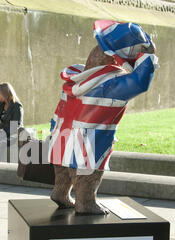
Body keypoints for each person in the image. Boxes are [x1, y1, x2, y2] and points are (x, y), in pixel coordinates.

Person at [47, 20, 159, 214]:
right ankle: (86, 202)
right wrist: (148, 54)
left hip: (62, 132)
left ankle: (60, 191)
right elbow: (141, 82)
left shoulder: (75, 77)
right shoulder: (110, 84)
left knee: (64, 160)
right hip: (90, 139)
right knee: (89, 169)